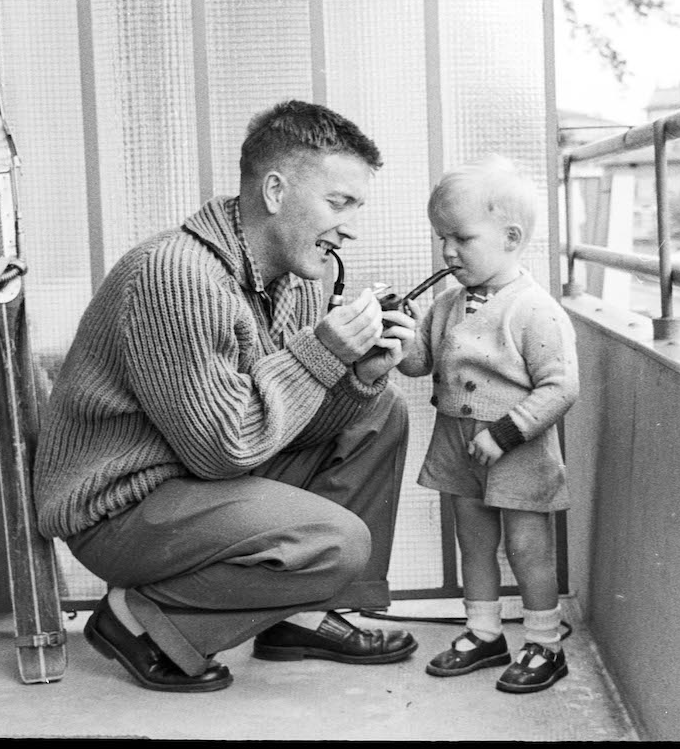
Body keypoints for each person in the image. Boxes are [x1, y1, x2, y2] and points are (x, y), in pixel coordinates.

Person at [32, 100, 420, 693]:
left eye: (355, 207)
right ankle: (138, 620)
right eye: (338, 203)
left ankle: (300, 618)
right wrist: (321, 355)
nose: (350, 226)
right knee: (336, 543)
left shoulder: (284, 280)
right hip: (123, 505)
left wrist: (359, 374)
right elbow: (224, 447)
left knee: (379, 410)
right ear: (274, 190)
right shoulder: (176, 275)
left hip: (192, 481)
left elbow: (288, 420)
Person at [396, 154, 579, 694]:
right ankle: (484, 632)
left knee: (527, 547)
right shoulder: (447, 303)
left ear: (511, 237)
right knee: (472, 542)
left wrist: (505, 432)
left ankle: (544, 641)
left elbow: (562, 387)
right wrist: (399, 332)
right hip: (456, 441)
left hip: (515, 447)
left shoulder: (535, 310)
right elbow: (417, 364)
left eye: (461, 238)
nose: (447, 251)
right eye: (441, 238)